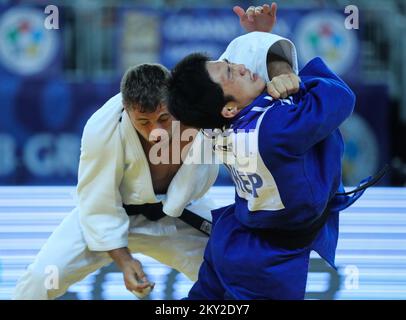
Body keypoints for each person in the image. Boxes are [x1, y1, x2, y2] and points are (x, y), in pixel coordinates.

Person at [13, 4, 298, 299]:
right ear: (126, 110)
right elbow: (97, 204)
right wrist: (125, 261)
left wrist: (270, 51)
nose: (156, 131)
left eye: (164, 118)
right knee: (38, 280)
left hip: (179, 215)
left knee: (236, 276)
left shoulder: (198, 101)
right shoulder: (102, 129)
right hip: (113, 216)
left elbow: (243, 67)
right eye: (143, 123)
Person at [168, 32, 369, 299]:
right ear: (228, 108)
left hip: (236, 236)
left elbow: (244, 75)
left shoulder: (213, 127)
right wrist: (284, 72)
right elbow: (341, 97)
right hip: (268, 262)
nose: (241, 67)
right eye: (230, 72)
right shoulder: (275, 129)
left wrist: (267, 46)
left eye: (229, 62)